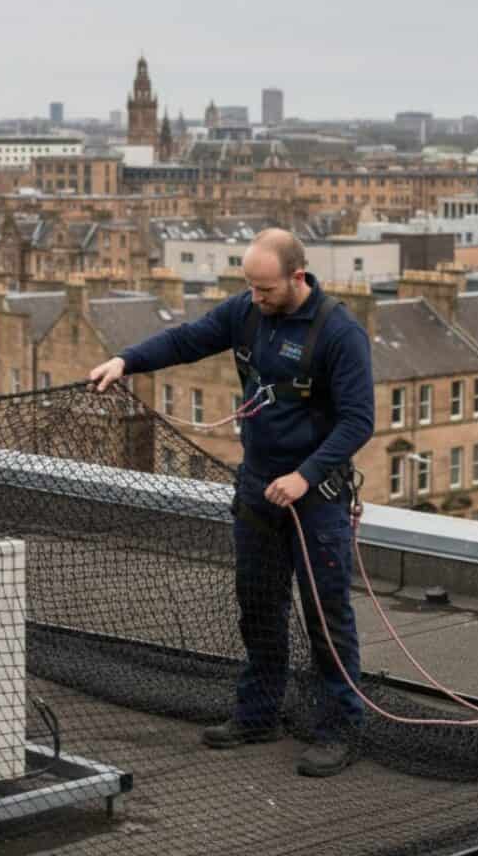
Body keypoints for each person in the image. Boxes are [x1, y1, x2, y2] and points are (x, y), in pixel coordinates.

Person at [89, 228, 374, 777]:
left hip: (315, 497)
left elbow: (359, 420)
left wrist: (306, 476)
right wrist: (125, 361)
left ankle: (340, 726)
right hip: (257, 488)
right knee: (259, 605)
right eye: (250, 287)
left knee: (326, 614)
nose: (257, 298)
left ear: (297, 277)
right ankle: (259, 713)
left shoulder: (338, 332)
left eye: (266, 289)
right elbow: (187, 339)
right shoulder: (246, 312)